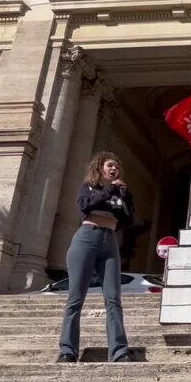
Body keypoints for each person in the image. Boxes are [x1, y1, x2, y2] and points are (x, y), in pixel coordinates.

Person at [57, 151, 135, 363]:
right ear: (100, 167)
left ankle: (119, 351)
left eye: (117, 167)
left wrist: (124, 196)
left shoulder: (119, 193)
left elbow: (127, 219)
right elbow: (85, 206)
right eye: (110, 165)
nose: (114, 169)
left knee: (113, 298)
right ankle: (67, 350)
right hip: (86, 238)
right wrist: (109, 191)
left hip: (109, 241)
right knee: (75, 297)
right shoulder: (88, 188)